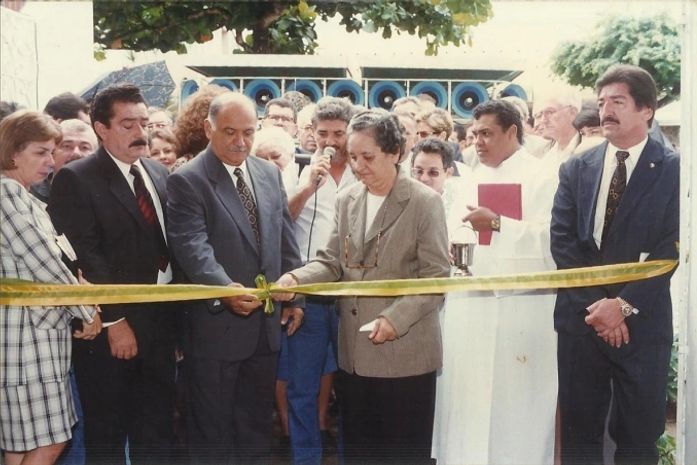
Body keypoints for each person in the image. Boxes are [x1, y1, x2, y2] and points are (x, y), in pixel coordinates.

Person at [276, 108, 450, 465]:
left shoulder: (424, 202)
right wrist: (296, 279)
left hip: (404, 355)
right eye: (353, 157)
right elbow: (330, 262)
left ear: (395, 153)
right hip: (354, 356)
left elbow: (436, 277)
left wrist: (394, 320)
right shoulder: (347, 199)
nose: (357, 166)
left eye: (367, 157)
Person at [166, 91, 304, 465]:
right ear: (208, 128)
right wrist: (223, 289)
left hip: (265, 330)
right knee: (212, 436)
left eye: (248, 132)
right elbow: (191, 246)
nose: (240, 141)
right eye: (229, 132)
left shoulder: (268, 173)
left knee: (257, 429)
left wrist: (296, 298)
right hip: (215, 332)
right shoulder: (187, 180)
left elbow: (284, 240)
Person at [551, 64, 679, 465]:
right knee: (579, 436)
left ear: (647, 110)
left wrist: (621, 306)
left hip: (641, 324)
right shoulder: (576, 167)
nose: (605, 110)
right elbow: (564, 244)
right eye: (602, 101)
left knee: (638, 439)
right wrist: (600, 308)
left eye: (618, 102)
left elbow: (670, 248)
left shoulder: (677, 170)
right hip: (581, 321)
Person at [48, 84, 177, 465]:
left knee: (156, 426)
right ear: (100, 128)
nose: (140, 133)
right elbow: (86, 257)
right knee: (108, 430)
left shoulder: (157, 171)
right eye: (127, 125)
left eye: (143, 123)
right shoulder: (76, 179)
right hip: (111, 329)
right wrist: (116, 320)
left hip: (161, 323)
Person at [432, 100, 558, 465]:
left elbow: (554, 242)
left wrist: (500, 224)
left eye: (486, 134)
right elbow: (454, 232)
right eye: (474, 135)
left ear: (512, 132)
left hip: (521, 311)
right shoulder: (470, 179)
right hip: (471, 310)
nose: (478, 143)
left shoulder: (543, 177)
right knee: (468, 410)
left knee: (516, 412)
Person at [0, 110, 101, 465]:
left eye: (51, 151)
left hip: (30, 342)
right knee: (51, 442)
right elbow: (45, 265)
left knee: (20, 445)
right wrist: (87, 311)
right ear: (13, 153)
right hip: (27, 345)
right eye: (40, 152)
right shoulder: (8, 195)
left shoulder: (24, 197)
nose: (50, 160)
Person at [285, 96, 358, 465]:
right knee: (302, 386)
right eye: (324, 133)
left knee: (351, 386)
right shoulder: (300, 169)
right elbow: (284, 219)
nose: (331, 141)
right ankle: (305, 459)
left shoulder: (365, 169)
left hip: (351, 295)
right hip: (309, 295)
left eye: (339, 134)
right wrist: (308, 186)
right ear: (312, 133)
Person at [31, 118, 98, 203]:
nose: (76, 153)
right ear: (52, 152)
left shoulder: (106, 194)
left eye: (84, 147)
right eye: (67, 146)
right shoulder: (30, 194)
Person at [252, 125, 298, 192]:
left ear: (291, 155)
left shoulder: (305, 179)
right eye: (263, 159)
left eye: (276, 157)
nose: (270, 164)